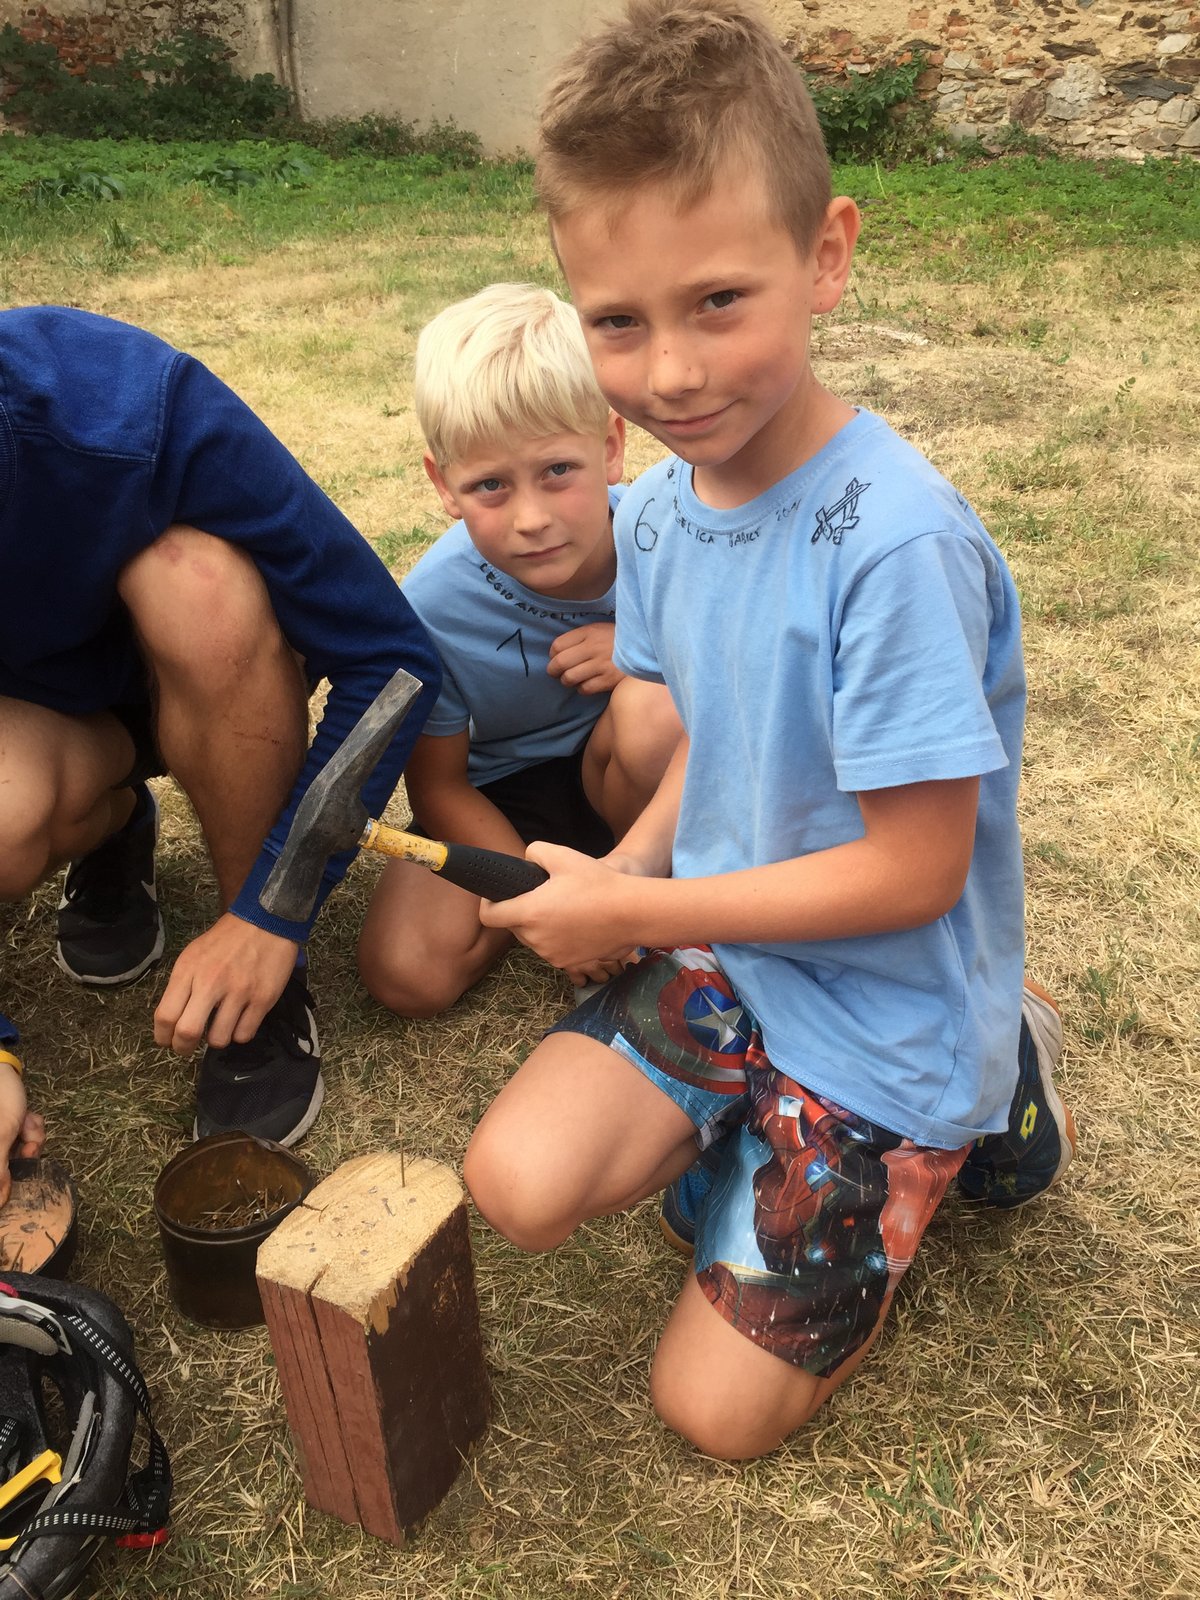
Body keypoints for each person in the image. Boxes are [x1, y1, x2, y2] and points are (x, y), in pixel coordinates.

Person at [463, 0, 1076, 1461]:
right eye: (619, 321)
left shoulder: (896, 548)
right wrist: (625, 872)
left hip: (884, 1022)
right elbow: (713, 745)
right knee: (516, 1183)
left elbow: (914, 871)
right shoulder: (658, 515)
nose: (670, 373)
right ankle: (763, 1136)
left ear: (827, 256)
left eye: (718, 301)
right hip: (732, 955)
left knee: (713, 1414)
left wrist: (641, 907)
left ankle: (995, 1071)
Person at [0, 305, 441, 1171]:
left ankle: (263, 983)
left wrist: (273, 912)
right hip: (45, 719)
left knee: (198, 587)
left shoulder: (127, 409)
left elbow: (390, 658)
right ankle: (113, 820)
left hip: (199, 680)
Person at [358, 284, 681, 1016]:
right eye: (490, 485)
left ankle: (651, 892)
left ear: (610, 446)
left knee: (658, 707)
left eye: (557, 471)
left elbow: (735, 684)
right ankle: (575, 903)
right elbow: (440, 787)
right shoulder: (429, 608)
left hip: (632, 770)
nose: (531, 518)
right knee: (407, 973)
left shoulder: (669, 537)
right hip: (502, 795)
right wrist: (544, 900)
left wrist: (638, 650)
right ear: (443, 485)